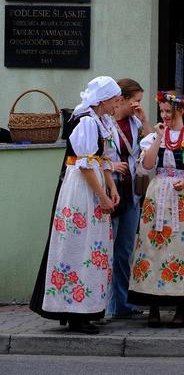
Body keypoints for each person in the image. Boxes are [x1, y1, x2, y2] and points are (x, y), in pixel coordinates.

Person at [29, 76, 122, 334]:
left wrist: (111, 188)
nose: (117, 104)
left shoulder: (101, 122)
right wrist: (101, 196)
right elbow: (84, 165)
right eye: (115, 99)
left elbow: (100, 160)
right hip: (81, 191)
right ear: (104, 99)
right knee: (78, 247)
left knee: (92, 249)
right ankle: (75, 313)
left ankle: (88, 309)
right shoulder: (87, 122)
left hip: (92, 189)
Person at [128, 91, 184, 328]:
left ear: (181, 112)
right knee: (152, 247)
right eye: (162, 111)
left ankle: (181, 307)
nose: (164, 116)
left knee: (182, 249)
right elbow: (146, 166)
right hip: (157, 197)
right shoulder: (155, 136)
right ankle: (153, 306)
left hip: (182, 198)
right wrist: (157, 137)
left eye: (168, 112)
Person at [106, 78, 150, 320]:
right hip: (110, 188)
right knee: (107, 248)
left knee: (124, 250)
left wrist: (144, 119)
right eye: (136, 101)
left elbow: (155, 145)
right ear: (120, 99)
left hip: (130, 191)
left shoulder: (134, 123)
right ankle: (106, 304)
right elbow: (90, 155)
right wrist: (111, 164)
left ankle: (122, 303)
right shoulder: (104, 122)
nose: (137, 105)